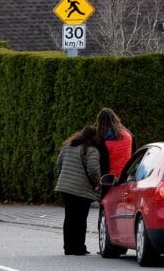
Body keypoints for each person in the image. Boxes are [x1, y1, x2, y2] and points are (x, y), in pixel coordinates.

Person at [54, 125, 101, 256]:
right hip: (82, 189)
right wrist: (97, 183)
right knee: (81, 219)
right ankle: (79, 247)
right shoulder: (91, 150)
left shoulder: (68, 147)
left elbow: (59, 163)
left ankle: (68, 247)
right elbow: (93, 169)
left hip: (65, 187)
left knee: (69, 217)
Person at [96, 108, 135, 178]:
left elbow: (102, 164)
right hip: (126, 176)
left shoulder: (102, 140)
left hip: (110, 179)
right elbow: (134, 154)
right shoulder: (128, 134)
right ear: (115, 118)